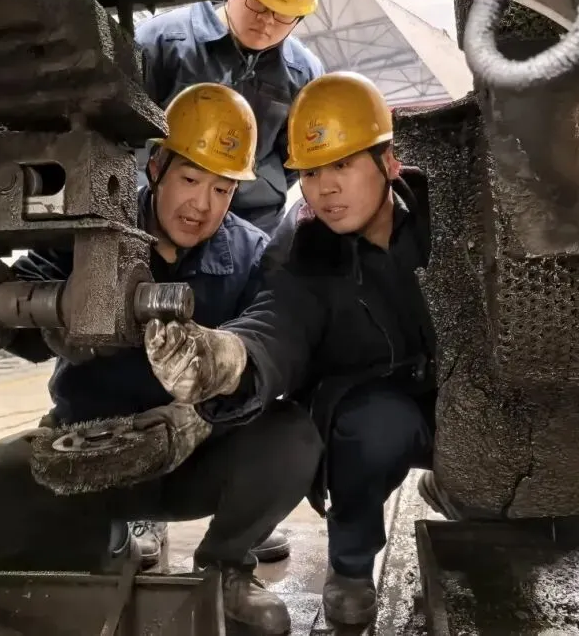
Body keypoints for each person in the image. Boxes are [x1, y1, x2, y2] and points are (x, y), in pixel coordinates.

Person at [0, 83, 322, 636]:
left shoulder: (251, 256)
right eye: (190, 179)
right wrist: (56, 319)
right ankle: (99, 553)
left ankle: (225, 568)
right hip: (85, 453)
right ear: (156, 166)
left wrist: (203, 408)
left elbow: (275, 352)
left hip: (194, 457)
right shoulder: (91, 224)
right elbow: (23, 303)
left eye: (223, 189)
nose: (202, 205)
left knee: (296, 436)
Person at [142, 72, 438, 626]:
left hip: (467, 398)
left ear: (388, 161)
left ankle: (462, 490)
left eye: (342, 165)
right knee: (371, 426)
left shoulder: (448, 215)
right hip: (375, 408)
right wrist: (228, 358)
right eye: (312, 172)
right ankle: (351, 569)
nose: (325, 188)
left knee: (544, 504)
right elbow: (278, 321)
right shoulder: (302, 247)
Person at [135, 0, 325, 235]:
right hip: (156, 209)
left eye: (283, 14)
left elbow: (297, 158)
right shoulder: (161, 42)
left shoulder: (304, 76)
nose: (267, 20)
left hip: (253, 219)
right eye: (259, 4)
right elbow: (121, 131)